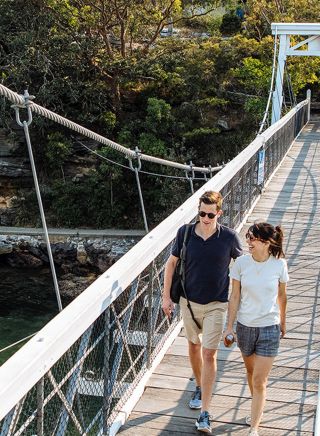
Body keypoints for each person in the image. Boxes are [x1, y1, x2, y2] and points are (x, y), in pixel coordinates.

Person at [162, 191, 242, 434]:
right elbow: (171, 264)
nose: (205, 218)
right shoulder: (185, 232)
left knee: (209, 354)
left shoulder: (228, 238)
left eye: (210, 214)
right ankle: (199, 384)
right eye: (202, 213)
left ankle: (205, 414)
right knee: (194, 347)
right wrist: (166, 297)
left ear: (219, 213)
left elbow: (242, 269)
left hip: (217, 304)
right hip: (188, 302)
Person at [223, 222, 288, 436]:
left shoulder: (279, 265)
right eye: (248, 237)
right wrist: (229, 326)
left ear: (266, 242)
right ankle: (256, 408)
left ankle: (254, 428)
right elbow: (234, 297)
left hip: (269, 327)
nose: (248, 242)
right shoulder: (241, 263)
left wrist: (283, 322)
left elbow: (282, 296)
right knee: (251, 373)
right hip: (245, 327)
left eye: (252, 238)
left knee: (260, 380)